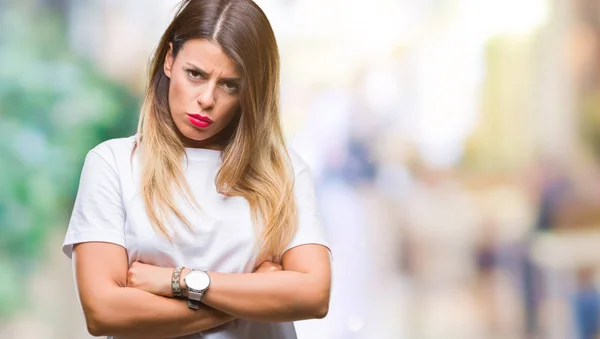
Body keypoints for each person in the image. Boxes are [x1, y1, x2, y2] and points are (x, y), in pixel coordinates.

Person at [61, 1, 332, 338]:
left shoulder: (284, 171)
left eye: (229, 84)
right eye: (196, 74)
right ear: (170, 59)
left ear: (251, 89)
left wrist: (179, 280)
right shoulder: (113, 163)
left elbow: (314, 295)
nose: (207, 98)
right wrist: (247, 298)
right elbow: (103, 312)